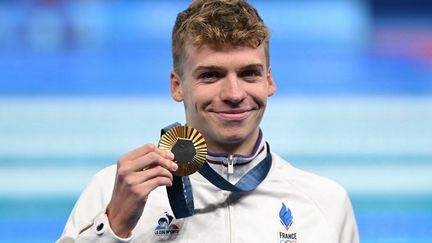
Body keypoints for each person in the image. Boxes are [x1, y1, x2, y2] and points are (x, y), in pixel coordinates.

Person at [57, 0, 360, 242]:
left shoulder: (326, 202)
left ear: (269, 81)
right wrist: (115, 227)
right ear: (177, 86)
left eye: (249, 73)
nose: (233, 93)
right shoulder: (114, 189)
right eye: (211, 75)